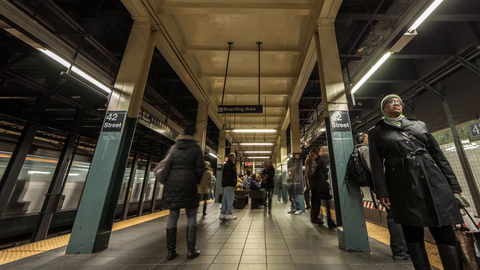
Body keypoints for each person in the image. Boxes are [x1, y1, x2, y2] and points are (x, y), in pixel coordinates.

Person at [369, 94, 465, 270]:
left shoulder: (419, 125)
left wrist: (454, 185)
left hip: (433, 180)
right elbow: (376, 165)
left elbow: (439, 156)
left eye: (399, 102)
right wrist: (382, 191)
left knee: (444, 229)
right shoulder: (376, 132)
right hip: (402, 184)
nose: (396, 104)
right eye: (391, 102)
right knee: (412, 232)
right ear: (384, 108)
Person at [356, 133, 410, 261]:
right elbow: (375, 170)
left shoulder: (360, 150)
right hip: (386, 187)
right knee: (395, 217)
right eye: (368, 137)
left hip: (383, 187)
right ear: (363, 140)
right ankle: (400, 250)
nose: (370, 139)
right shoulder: (365, 150)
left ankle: (403, 248)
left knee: (396, 216)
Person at [163, 125, 204, 260]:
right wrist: (194, 180)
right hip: (189, 184)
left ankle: (170, 252)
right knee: (191, 216)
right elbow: (200, 169)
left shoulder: (173, 148)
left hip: (172, 184)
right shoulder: (195, 148)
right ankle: (191, 251)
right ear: (193, 134)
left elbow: (166, 164)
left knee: (172, 216)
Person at [308, 148, 335, 227]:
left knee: (318, 202)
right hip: (319, 185)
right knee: (319, 202)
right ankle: (323, 219)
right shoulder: (318, 161)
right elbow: (325, 173)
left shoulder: (318, 162)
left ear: (315, 153)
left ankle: (317, 217)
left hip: (318, 186)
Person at [220, 153, 237, 220]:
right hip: (229, 184)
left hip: (226, 184)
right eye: (234, 157)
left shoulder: (227, 165)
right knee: (230, 199)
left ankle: (223, 214)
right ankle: (229, 214)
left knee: (224, 200)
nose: (235, 159)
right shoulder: (229, 165)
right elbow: (230, 175)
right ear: (231, 157)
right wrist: (233, 181)